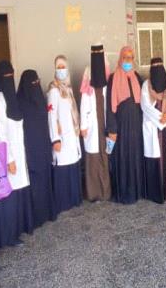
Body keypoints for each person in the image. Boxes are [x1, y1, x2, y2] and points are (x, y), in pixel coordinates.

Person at [0, 60, 29, 246]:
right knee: (8, 197)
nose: (10, 78)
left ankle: (16, 232)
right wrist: (9, 159)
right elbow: (0, 131)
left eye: (11, 75)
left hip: (18, 151)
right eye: (6, 75)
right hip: (8, 155)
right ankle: (8, 236)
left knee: (16, 194)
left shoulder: (10, 95)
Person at [17, 69, 57, 230]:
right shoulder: (20, 103)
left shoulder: (41, 99)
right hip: (31, 150)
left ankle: (48, 213)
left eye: (37, 81)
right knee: (35, 184)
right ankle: (37, 217)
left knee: (45, 180)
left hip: (43, 147)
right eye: (32, 83)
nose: (35, 85)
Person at [106, 46, 144, 204]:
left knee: (136, 157)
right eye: (125, 57)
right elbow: (110, 106)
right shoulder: (113, 78)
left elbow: (143, 102)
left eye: (131, 58)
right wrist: (112, 129)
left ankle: (136, 191)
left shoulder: (137, 77)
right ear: (120, 58)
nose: (128, 61)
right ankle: (124, 194)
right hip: (121, 126)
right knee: (123, 158)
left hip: (136, 125)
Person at [141, 58, 166, 203]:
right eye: (155, 67)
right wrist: (160, 118)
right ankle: (157, 194)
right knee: (156, 160)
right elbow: (145, 106)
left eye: (160, 66)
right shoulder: (146, 85)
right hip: (154, 126)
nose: (157, 70)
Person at [48, 55, 83, 214]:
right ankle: (64, 202)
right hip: (61, 138)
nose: (61, 70)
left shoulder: (68, 89)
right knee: (63, 167)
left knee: (72, 165)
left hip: (71, 136)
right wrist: (55, 138)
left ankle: (74, 199)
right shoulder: (54, 90)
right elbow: (51, 116)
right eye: (59, 67)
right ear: (55, 69)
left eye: (64, 67)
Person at [79, 44, 111, 201]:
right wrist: (83, 125)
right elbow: (84, 103)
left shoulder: (108, 73)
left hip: (104, 123)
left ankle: (106, 192)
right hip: (92, 125)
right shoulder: (88, 73)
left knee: (104, 157)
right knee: (93, 159)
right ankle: (94, 193)